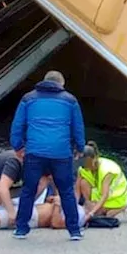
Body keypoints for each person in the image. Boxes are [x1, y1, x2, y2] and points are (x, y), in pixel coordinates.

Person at [10, 70, 85, 240]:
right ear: (61, 84)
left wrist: (18, 146)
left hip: (35, 152)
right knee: (66, 191)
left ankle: (21, 229)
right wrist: (79, 147)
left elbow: (17, 125)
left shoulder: (28, 99)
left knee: (29, 190)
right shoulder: (70, 100)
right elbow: (77, 127)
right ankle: (74, 230)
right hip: (61, 153)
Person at [76, 141, 127, 223]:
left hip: (116, 196)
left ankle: (123, 206)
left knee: (101, 215)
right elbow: (77, 189)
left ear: (94, 159)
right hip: (100, 192)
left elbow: (105, 195)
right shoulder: (84, 168)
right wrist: (74, 206)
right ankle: (91, 206)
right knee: (83, 182)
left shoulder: (106, 170)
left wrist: (91, 213)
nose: (85, 168)